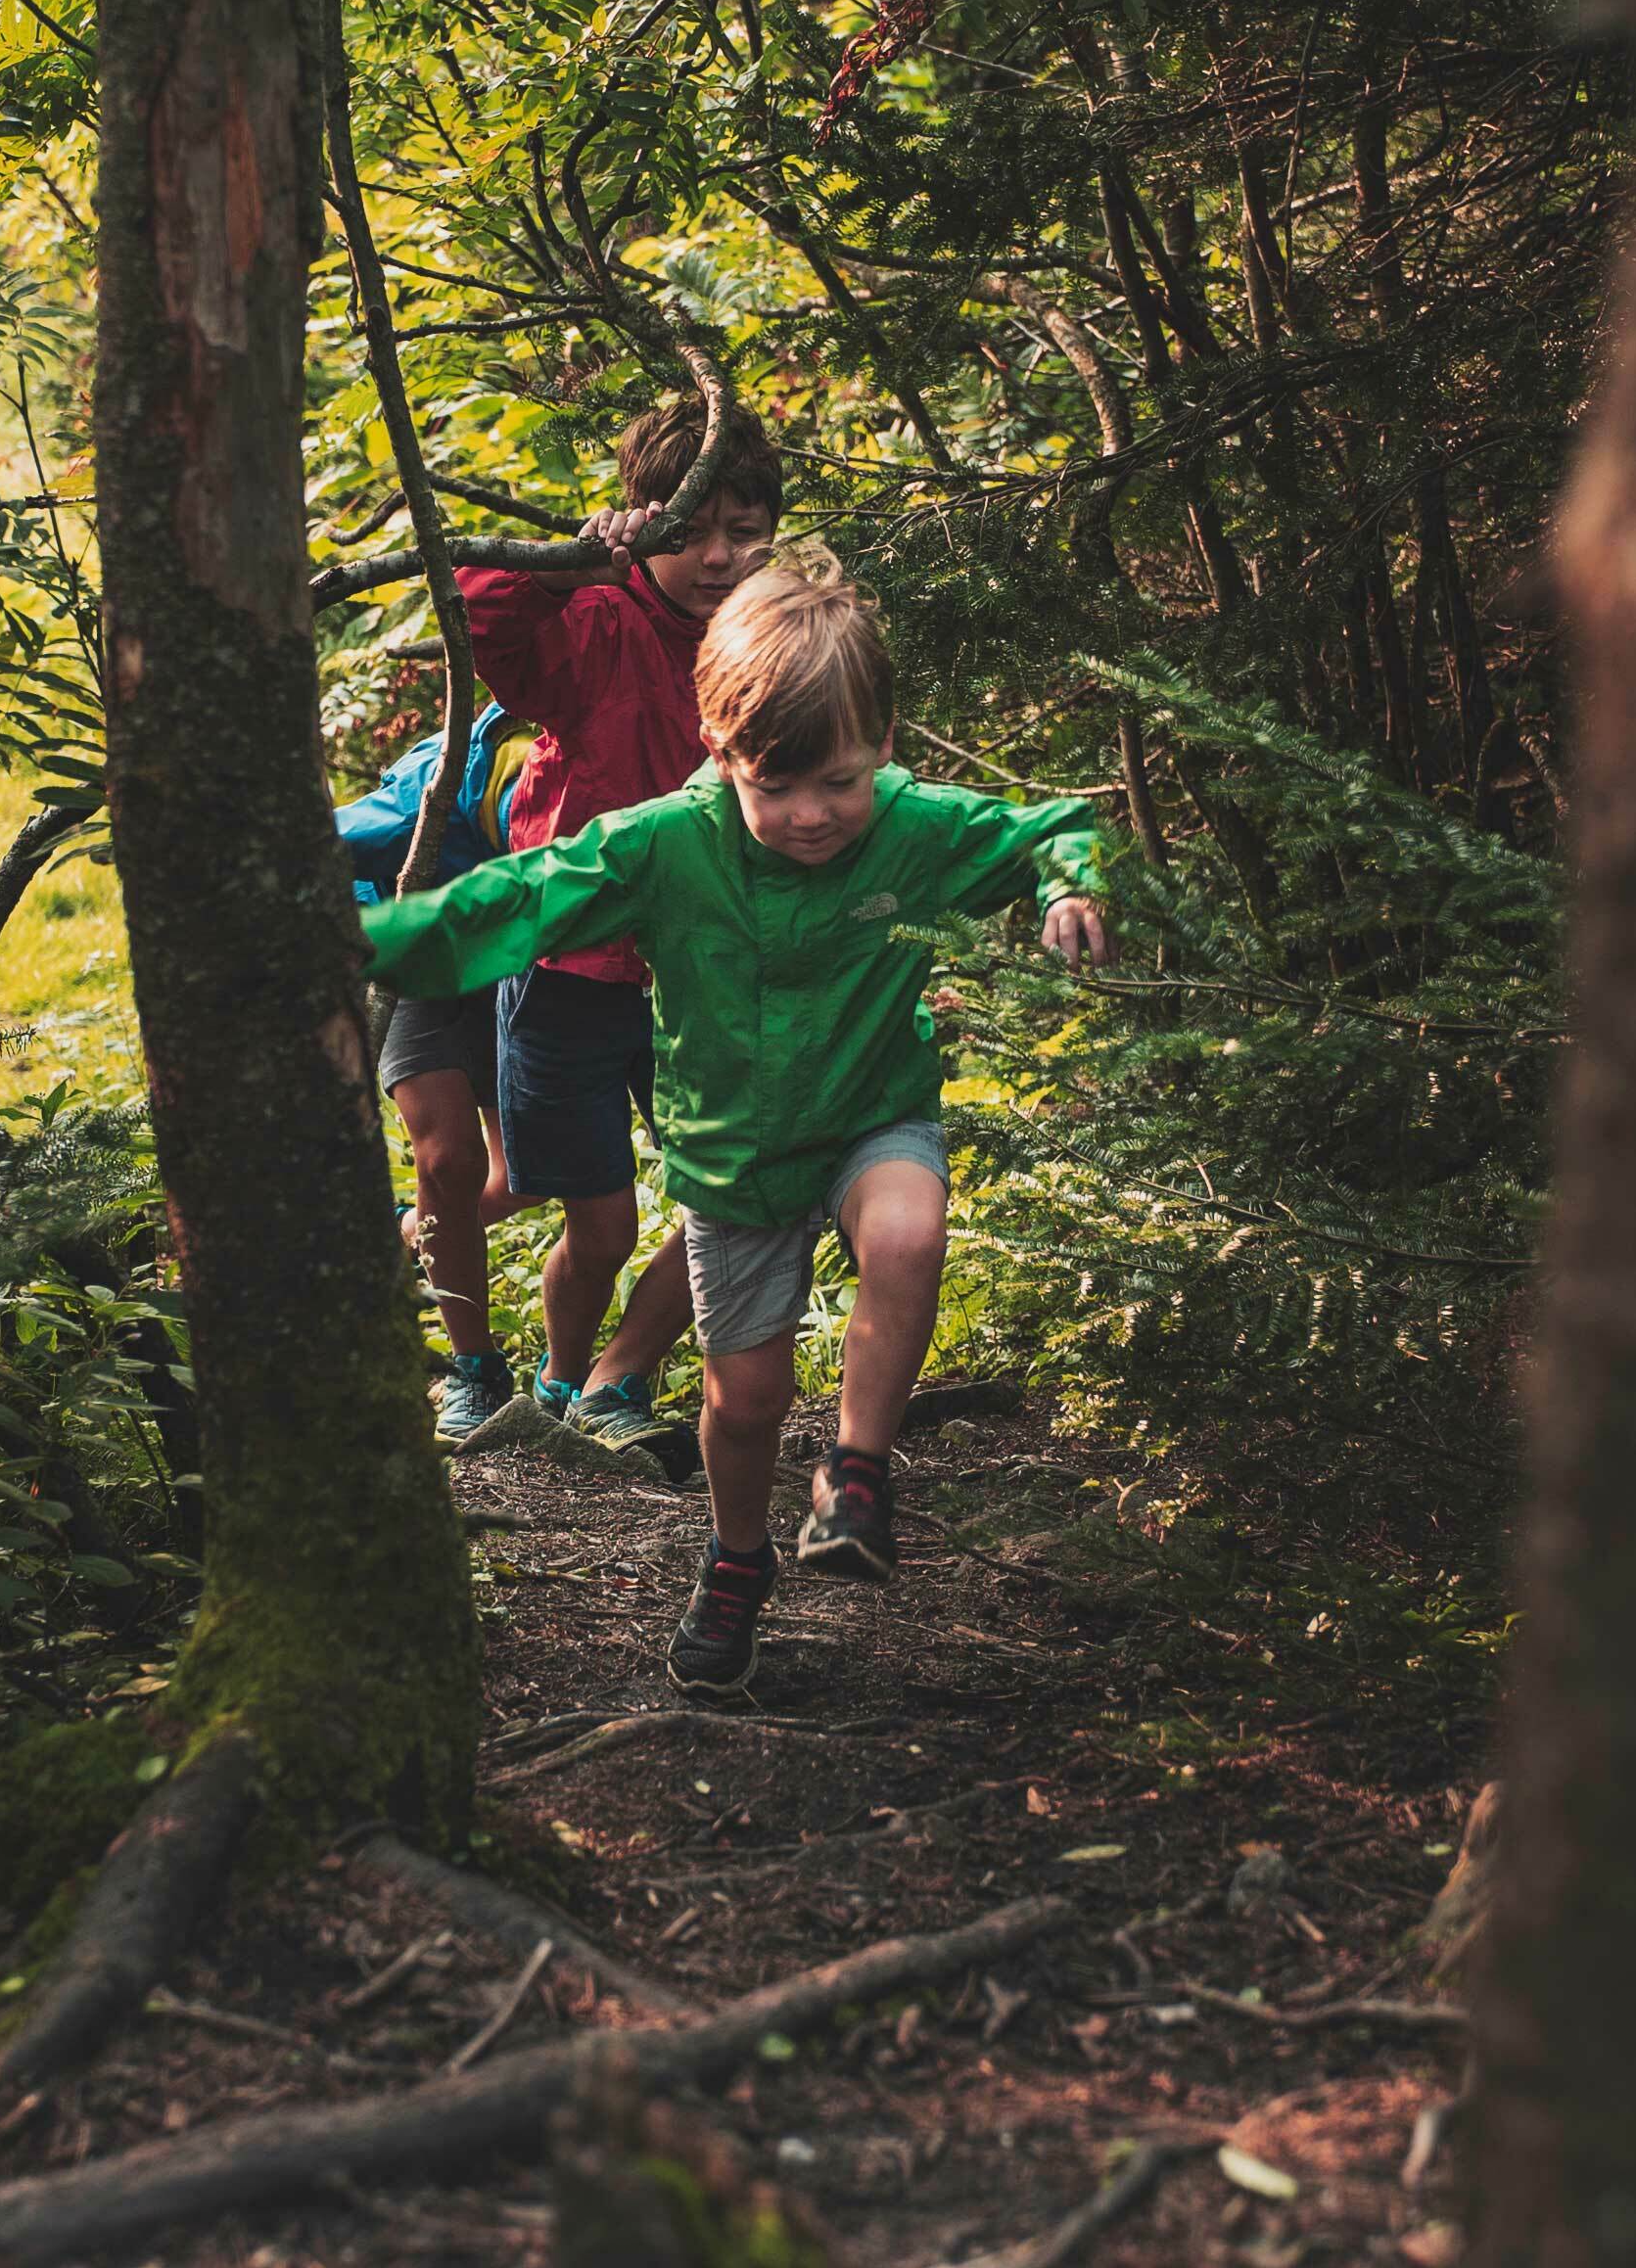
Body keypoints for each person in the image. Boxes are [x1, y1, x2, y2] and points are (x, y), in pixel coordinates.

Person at [364, 550, 1109, 1699]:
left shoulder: (910, 825)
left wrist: (1068, 883)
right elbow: (516, 900)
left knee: (907, 1235)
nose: (814, 816)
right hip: (734, 1155)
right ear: (718, 749)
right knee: (745, 1403)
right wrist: (365, 941)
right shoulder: (664, 841)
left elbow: (1044, 826)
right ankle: (736, 1557)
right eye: (778, 787)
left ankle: (856, 1475)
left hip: (872, 1116)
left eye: (843, 784)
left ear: (885, 745)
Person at [454, 393, 788, 1477]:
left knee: (748, 1185)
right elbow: (487, 618)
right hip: (573, 969)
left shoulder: (777, 642)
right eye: (685, 532)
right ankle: (556, 1380)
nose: (716, 557)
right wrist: (568, 565)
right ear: (639, 522)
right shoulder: (595, 623)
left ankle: (617, 1380)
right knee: (595, 1224)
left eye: (742, 531)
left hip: (714, 971)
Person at [336, 700, 543, 1446]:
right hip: (417, 962)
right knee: (448, 1160)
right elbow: (324, 841)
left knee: (529, 1174)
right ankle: (471, 1367)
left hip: (518, 969)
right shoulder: (436, 780)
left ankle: (391, 1240)